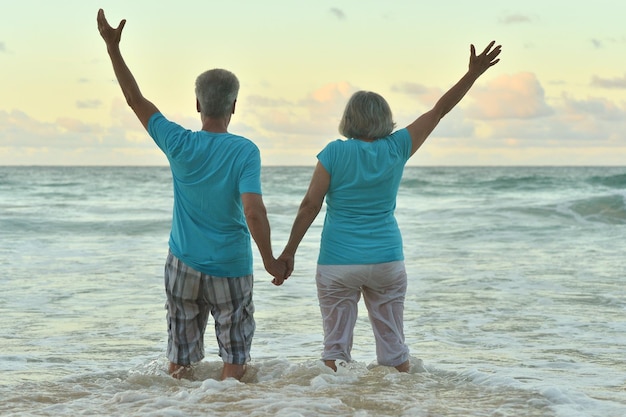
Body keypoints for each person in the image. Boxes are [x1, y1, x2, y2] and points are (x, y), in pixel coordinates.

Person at [278, 41, 502, 372]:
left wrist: (288, 253)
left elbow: (310, 205)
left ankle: (332, 405)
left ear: (348, 119)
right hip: (386, 261)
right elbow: (439, 110)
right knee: (394, 350)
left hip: (338, 263)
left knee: (335, 349)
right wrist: (472, 75)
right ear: (386, 119)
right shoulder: (397, 147)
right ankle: (400, 404)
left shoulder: (333, 153)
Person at [97, 9, 286, 381]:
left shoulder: (178, 142)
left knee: (179, 363)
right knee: (235, 359)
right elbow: (253, 211)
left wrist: (112, 49)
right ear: (234, 105)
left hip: (182, 264)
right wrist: (270, 260)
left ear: (198, 104)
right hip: (230, 267)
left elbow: (136, 100)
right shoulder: (245, 150)